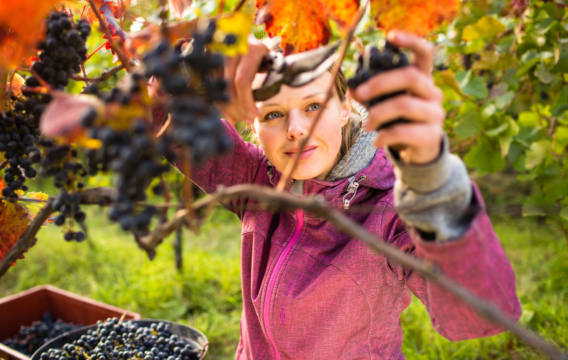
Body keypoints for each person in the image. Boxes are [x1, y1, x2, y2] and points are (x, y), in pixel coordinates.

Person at [168, 31, 522, 359]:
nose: (296, 129)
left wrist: (434, 180)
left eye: (313, 106)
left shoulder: (388, 208)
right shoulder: (256, 181)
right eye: (274, 113)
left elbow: (480, 315)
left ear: (345, 108)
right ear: (252, 126)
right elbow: (169, 118)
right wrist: (184, 47)